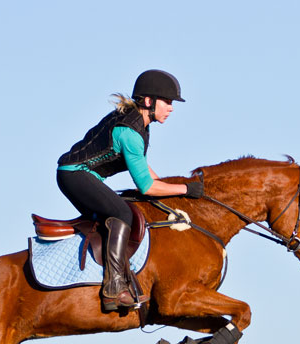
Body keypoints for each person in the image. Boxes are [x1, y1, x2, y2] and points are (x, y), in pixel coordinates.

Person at [57, 69, 204, 312]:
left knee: (120, 211)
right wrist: (186, 189)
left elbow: (146, 171)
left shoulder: (140, 125)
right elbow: (146, 186)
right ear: (149, 101)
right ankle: (114, 288)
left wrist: (177, 191)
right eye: (167, 102)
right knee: (122, 214)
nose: (171, 108)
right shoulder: (130, 132)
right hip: (74, 175)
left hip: (82, 175)